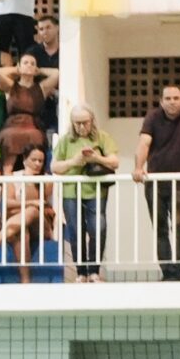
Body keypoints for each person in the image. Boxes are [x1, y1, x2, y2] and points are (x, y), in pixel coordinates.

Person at [135, 84, 180, 280]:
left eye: (176, 98)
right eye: (168, 99)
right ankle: (167, 272)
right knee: (160, 228)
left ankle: (179, 271)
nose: (172, 102)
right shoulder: (152, 117)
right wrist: (138, 167)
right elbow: (144, 143)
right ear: (161, 102)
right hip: (155, 182)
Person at [54, 105, 118, 282]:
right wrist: (74, 161)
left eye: (85, 123)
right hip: (71, 191)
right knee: (75, 231)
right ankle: (81, 272)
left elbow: (114, 161)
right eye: (77, 123)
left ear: (92, 121)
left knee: (98, 228)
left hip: (96, 191)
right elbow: (55, 166)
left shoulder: (102, 137)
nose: (81, 127)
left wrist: (96, 158)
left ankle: (94, 270)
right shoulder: (66, 140)